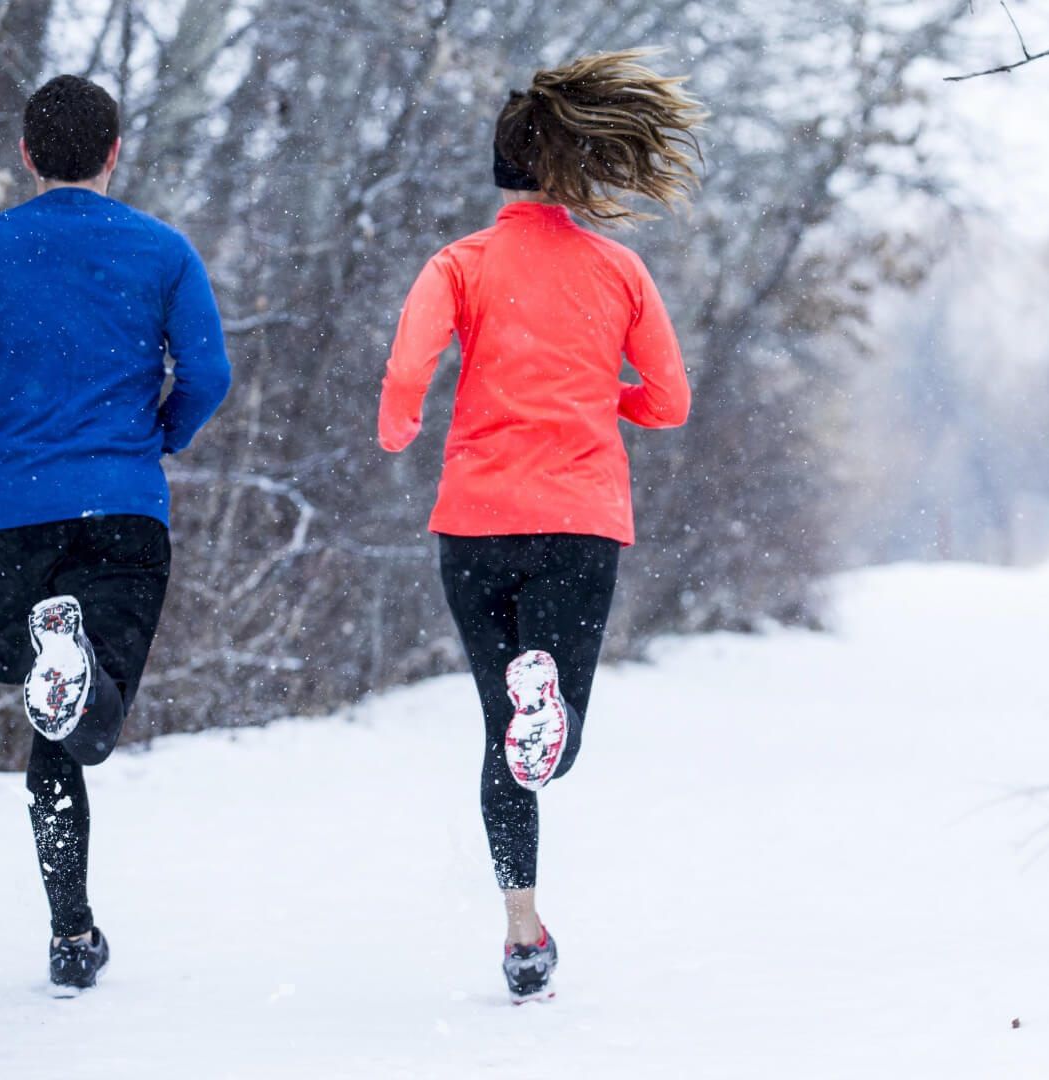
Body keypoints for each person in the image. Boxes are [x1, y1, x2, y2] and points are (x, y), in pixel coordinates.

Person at [0, 74, 231, 992]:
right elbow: (210, 373)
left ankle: (71, 934)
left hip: (20, 513)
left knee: (50, 722)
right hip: (122, 507)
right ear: (115, 152)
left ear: (27, 155)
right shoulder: (161, 251)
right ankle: (73, 682)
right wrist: (165, 431)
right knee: (85, 723)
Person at [376, 49, 701, 1004]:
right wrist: (606, 401)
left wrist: (398, 428)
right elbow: (671, 401)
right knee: (549, 736)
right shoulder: (618, 268)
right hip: (578, 518)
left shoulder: (461, 262)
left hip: (475, 520)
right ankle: (543, 696)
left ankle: (524, 931)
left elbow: (407, 372)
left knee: (504, 732)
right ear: (577, 165)